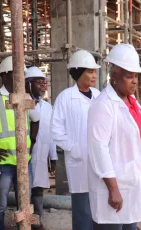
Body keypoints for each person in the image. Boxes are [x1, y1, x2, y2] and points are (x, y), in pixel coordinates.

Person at [87, 43, 141, 230]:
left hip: (131, 184)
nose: (134, 81)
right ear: (114, 77)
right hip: (114, 189)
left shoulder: (132, 102)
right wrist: (113, 189)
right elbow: (98, 149)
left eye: (135, 76)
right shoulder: (103, 105)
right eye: (129, 76)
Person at [0, 56, 39, 230]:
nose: (20, 79)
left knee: (25, 205)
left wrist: (33, 142)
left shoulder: (25, 98)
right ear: (4, 76)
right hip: (3, 164)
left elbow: (36, 120)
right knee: (0, 206)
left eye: (22, 75)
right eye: (16, 74)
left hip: (24, 162)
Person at [51, 50, 100, 230]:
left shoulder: (98, 95)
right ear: (78, 73)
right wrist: (74, 148)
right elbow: (56, 131)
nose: (94, 75)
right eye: (90, 71)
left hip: (98, 160)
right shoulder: (65, 98)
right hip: (78, 162)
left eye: (95, 71)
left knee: (98, 208)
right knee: (82, 211)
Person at [25, 66, 58, 230]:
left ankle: (36, 222)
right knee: (24, 191)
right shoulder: (20, 104)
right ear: (28, 83)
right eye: (39, 83)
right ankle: (24, 223)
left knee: (38, 191)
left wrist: (53, 157)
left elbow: (51, 134)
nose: (43, 86)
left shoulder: (47, 108)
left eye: (44, 82)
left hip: (41, 156)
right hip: (23, 156)